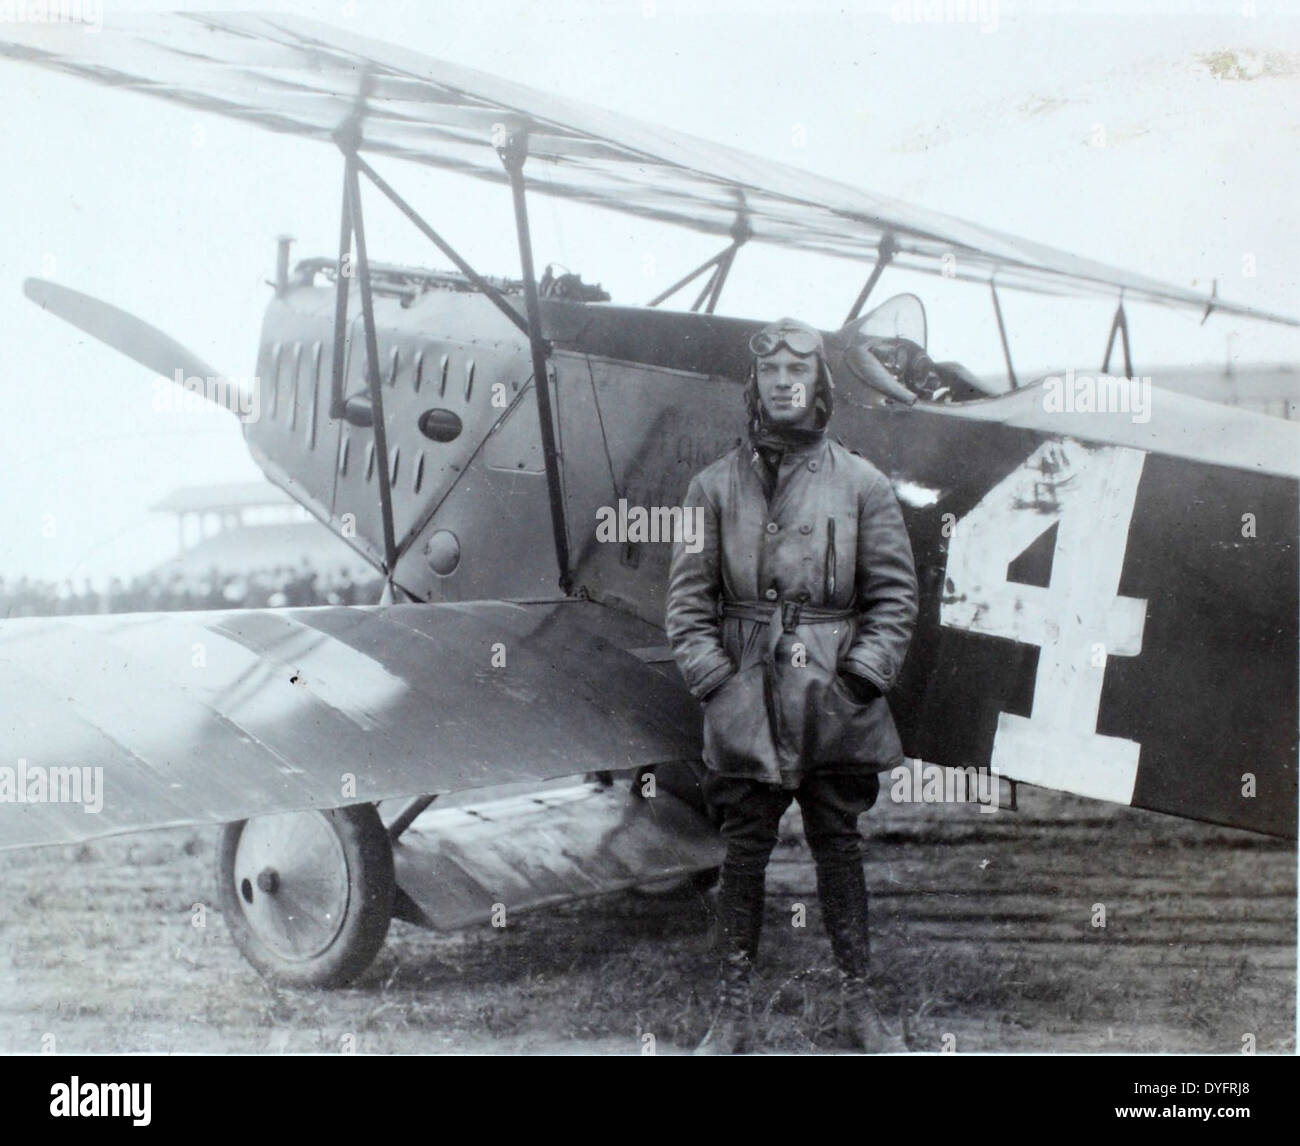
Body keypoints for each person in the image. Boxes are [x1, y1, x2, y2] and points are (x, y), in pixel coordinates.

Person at [665, 317, 918, 1054]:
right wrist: (716, 682)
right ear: (756, 387)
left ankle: (857, 1006)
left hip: (833, 698)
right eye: (769, 371)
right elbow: (686, 603)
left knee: (838, 844)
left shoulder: (863, 484)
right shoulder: (711, 487)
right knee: (742, 850)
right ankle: (733, 1011)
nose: (782, 380)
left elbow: (895, 597)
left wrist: (863, 678)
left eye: (796, 371)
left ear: (818, 387)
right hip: (745, 696)